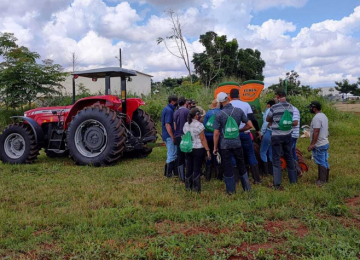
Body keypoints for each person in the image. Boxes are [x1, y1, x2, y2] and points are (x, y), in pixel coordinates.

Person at [213, 92, 253, 194]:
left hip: (224, 145)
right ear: (228, 99)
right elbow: (249, 125)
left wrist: (215, 147)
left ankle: (230, 191)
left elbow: (216, 133)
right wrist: (238, 130)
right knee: (241, 164)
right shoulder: (238, 111)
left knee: (227, 165)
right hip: (237, 143)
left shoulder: (219, 114)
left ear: (221, 102)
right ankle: (247, 188)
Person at [266, 89, 298, 190]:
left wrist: (274, 119)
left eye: (276, 96)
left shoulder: (274, 107)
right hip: (288, 135)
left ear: (279, 96)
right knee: (289, 156)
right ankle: (293, 180)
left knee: (276, 158)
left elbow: (268, 119)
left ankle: (277, 183)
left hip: (276, 135)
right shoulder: (291, 107)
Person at [230, 88, 261, 184]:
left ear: (230, 96)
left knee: (234, 155)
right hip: (245, 133)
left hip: (232, 134)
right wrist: (257, 130)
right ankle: (256, 179)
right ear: (239, 95)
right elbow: (253, 119)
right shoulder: (245, 104)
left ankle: (236, 180)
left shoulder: (227, 105)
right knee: (250, 154)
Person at [183, 108, 211, 192]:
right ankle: (196, 188)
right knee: (197, 168)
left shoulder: (186, 124)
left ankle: (188, 186)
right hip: (198, 149)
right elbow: (203, 139)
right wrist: (207, 150)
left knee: (189, 167)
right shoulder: (200, 125)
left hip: (188, 148)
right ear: (196, 116)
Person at [307, 101, 329, 186]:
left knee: (321, 162)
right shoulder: (324, 116)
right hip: (325, 142)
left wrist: (312, 144)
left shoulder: (316, 118)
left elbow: (316, 131)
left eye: (311, 108)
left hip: (319, 144)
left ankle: (321, 181)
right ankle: (325, 179)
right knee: (324, 161)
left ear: (314, 108)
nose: (310, 109)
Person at [203, 99, 221, 181]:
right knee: (217, 153)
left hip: (208, 136)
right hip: (217, 136)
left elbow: (204, 125)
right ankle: (218, 176)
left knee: (209, 153)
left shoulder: (208, 113)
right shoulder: (221, 112)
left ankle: (208, 176)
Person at [173, 96, 190, 182]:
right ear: (185, 102)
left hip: (178, 136)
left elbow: (175, 126)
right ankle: (188, 175)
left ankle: (181, 177)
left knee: (180, 156)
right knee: (187, 155)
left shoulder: (175, 112)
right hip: (186, 136)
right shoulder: (187, 111)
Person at [161, 95, 178, 178]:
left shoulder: (167, 109)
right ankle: (168, 174)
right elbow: (168, 124)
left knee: (172, 153)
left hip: (166, 135)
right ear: (172, 102)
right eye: (176, 101)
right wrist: (172, 136)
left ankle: (173, 173)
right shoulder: (169, 111)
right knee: (172, 154)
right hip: (169, 135)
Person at [259, 100, 275, 175]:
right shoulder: (276, 110)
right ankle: (271, 171)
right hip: (275, 133)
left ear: (269, 105)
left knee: (263, 152)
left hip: (268, 132)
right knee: (271, 152)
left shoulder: (269, 110)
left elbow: (266, 123)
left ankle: (265, 172)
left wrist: (261, 133)